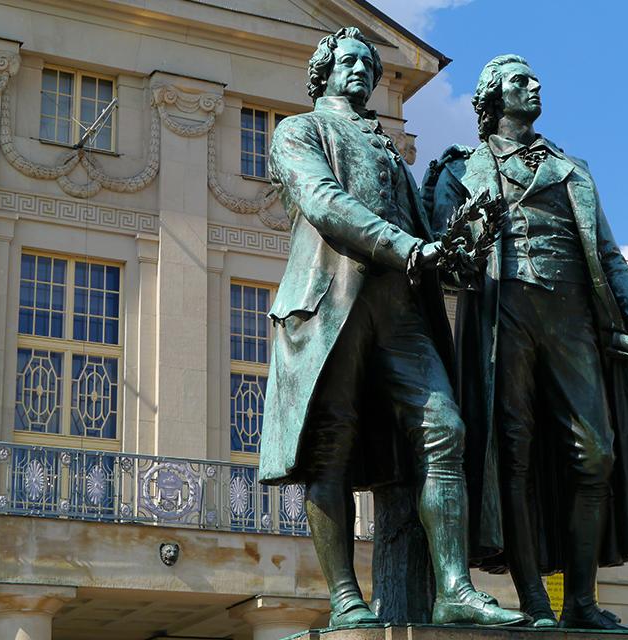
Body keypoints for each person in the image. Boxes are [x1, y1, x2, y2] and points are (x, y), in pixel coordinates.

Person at [257, 29, 524, 628]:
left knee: (444, 429)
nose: (360, 71)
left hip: (401, 307)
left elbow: (426, 228)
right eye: (348, 61)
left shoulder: (389, 150)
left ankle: (454, 587)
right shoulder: (298, 130)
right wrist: (409, 246)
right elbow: (324, 202)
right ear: (324, 70)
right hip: (330, 303)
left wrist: (460, 238)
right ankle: (346, 596)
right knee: (332, 452)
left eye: (369, 65)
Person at [423, 54, 628, 630]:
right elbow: (446, 260)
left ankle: (580, 601)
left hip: (573, 321)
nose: (534, 87)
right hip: (503, 316)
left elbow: (609, 258)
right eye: (520, 81)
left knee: (596, 456)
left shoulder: (573, 170)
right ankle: (536, 600)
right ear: (492, 98)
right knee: (512, 457)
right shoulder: (460, 170)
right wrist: (469, 233)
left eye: (534, 80)